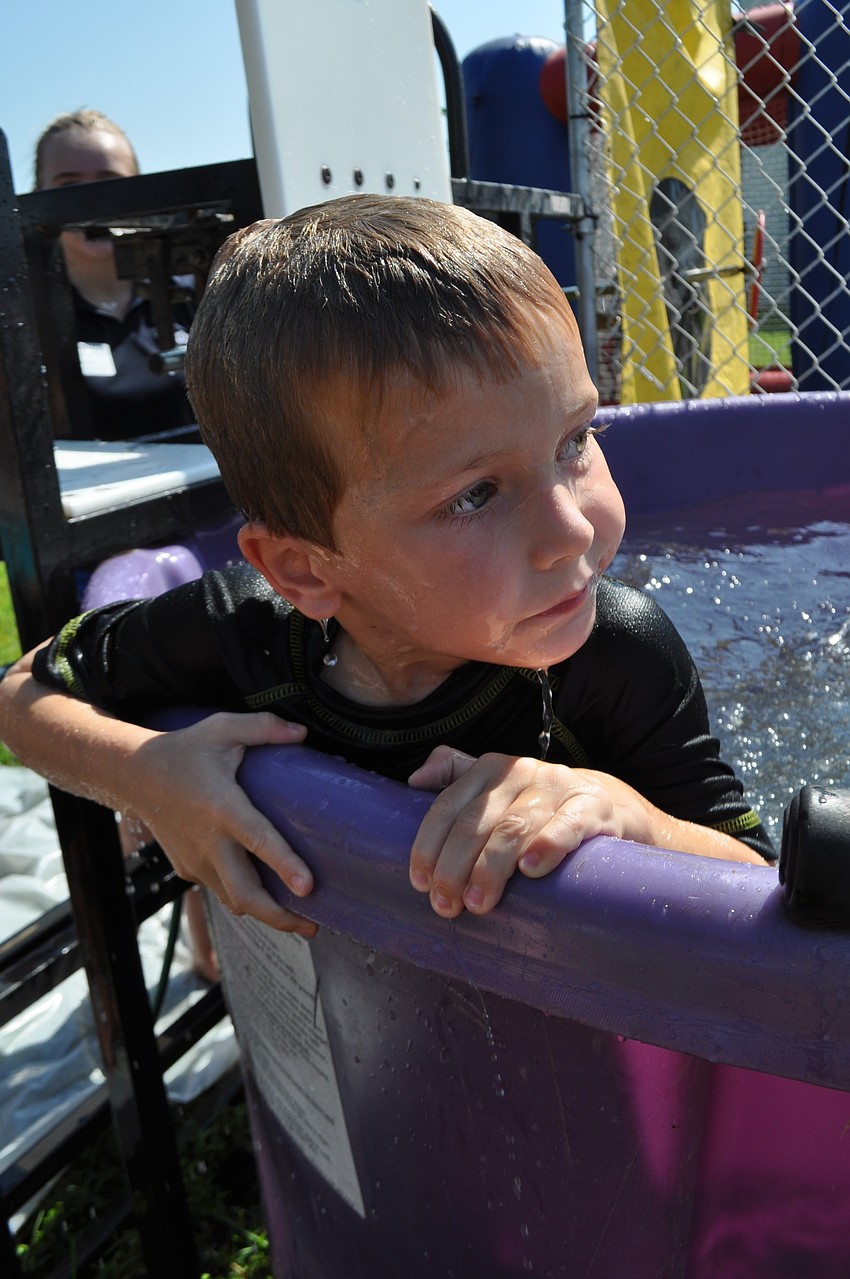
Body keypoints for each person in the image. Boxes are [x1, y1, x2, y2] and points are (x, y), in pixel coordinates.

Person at [0, 194, 774, 941]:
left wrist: (633, 818)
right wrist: (146, 774)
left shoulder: (618, 655)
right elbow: (22, 693)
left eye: (574, 439)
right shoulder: (241, 633)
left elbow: (763, 888)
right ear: (303, 571)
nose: (571, 531)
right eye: (475, 494)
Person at [34, 109, 196, 440]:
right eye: (69, 185)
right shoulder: (25, 320)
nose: (92, 201)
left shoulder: (198, 295)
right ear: (38, 195)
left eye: (110, 182)